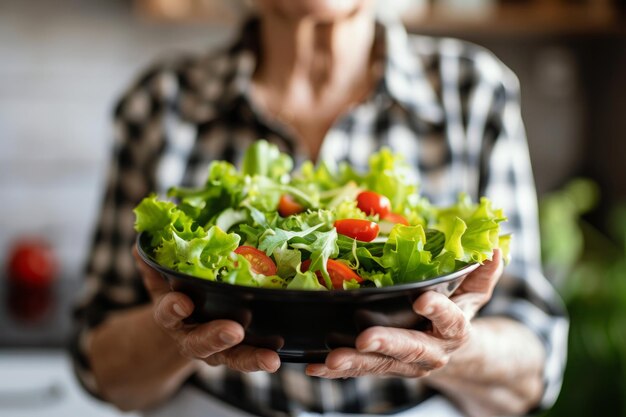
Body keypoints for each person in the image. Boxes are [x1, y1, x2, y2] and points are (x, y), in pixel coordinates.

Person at [71, 1, 568, 416]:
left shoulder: (472, 90)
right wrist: (175, 332)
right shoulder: (161, 103)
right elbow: (103, 369)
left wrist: (453, 348)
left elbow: (534, 370)